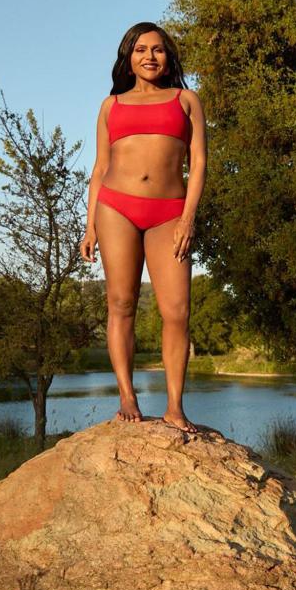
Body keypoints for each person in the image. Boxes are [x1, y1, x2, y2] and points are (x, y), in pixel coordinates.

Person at [79, 22, 207, 434]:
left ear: (168, 57)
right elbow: (100, 168)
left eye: (157, 50)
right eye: (140, 50)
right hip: (116, 208)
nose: (149, 56)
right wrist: (89, 226)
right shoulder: (110, 106)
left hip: (170, 212)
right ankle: (127, 396)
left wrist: (188, 217)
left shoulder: (186, 100)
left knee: (177, 311)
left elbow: (199, 162)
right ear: (128, 58)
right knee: (121, 303)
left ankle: (174, 407)